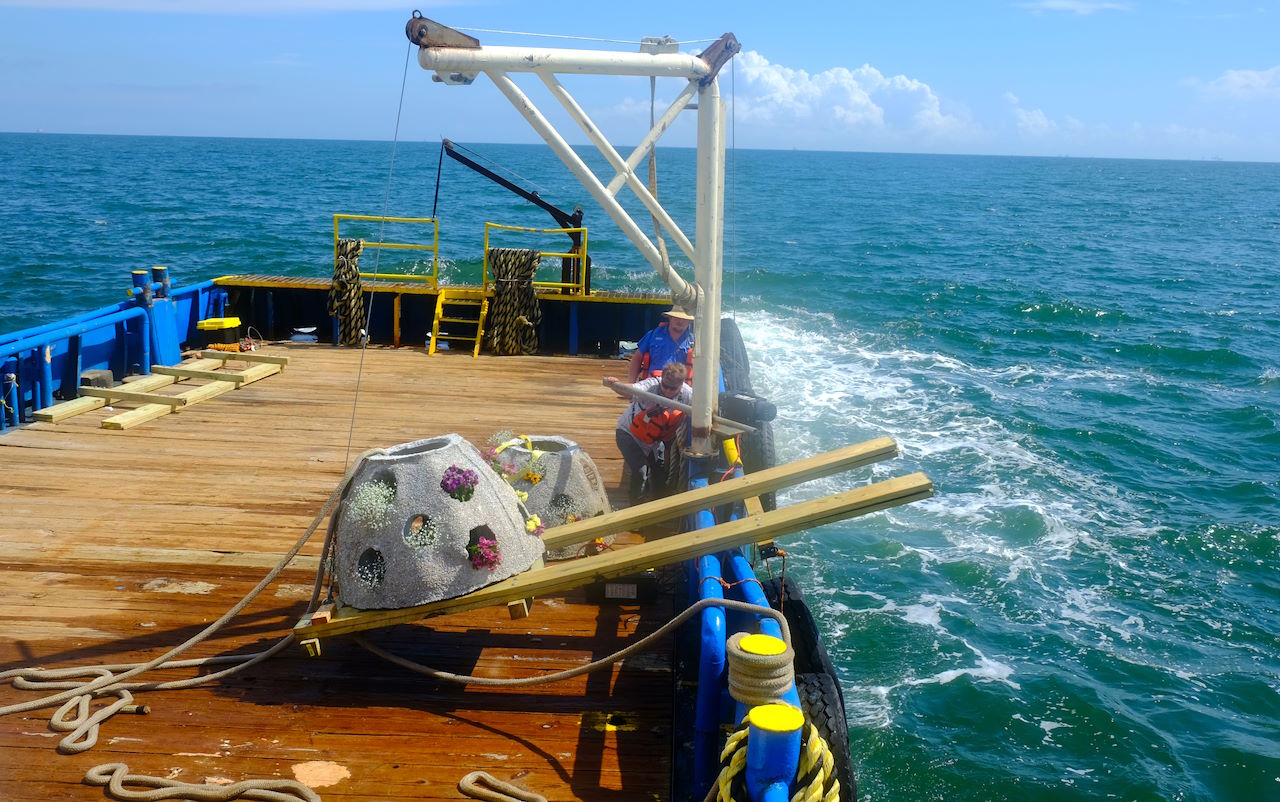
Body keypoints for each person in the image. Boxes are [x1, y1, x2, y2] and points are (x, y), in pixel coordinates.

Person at [607, 362, 693, 504]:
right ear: (662, 380)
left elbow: (702, 408)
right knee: (640, 472)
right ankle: (636, 506)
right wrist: (615, 385)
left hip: (653, 441)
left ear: (681, 385)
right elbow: (630, 390)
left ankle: (660, 505)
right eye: (665, 386)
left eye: (673, 388)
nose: (668, 391)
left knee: (659, 472)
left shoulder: (687, 394)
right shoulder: (651, 385)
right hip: (628, 434)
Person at [627, 304, 694, 383]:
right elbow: (637, 359)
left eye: (684, 319)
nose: (680, 321)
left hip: (680, 386)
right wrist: (631, 384)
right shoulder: (652, 335)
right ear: (670, 318)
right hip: (653, 383)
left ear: (689, 321)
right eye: (677, 317)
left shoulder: (695, 342)